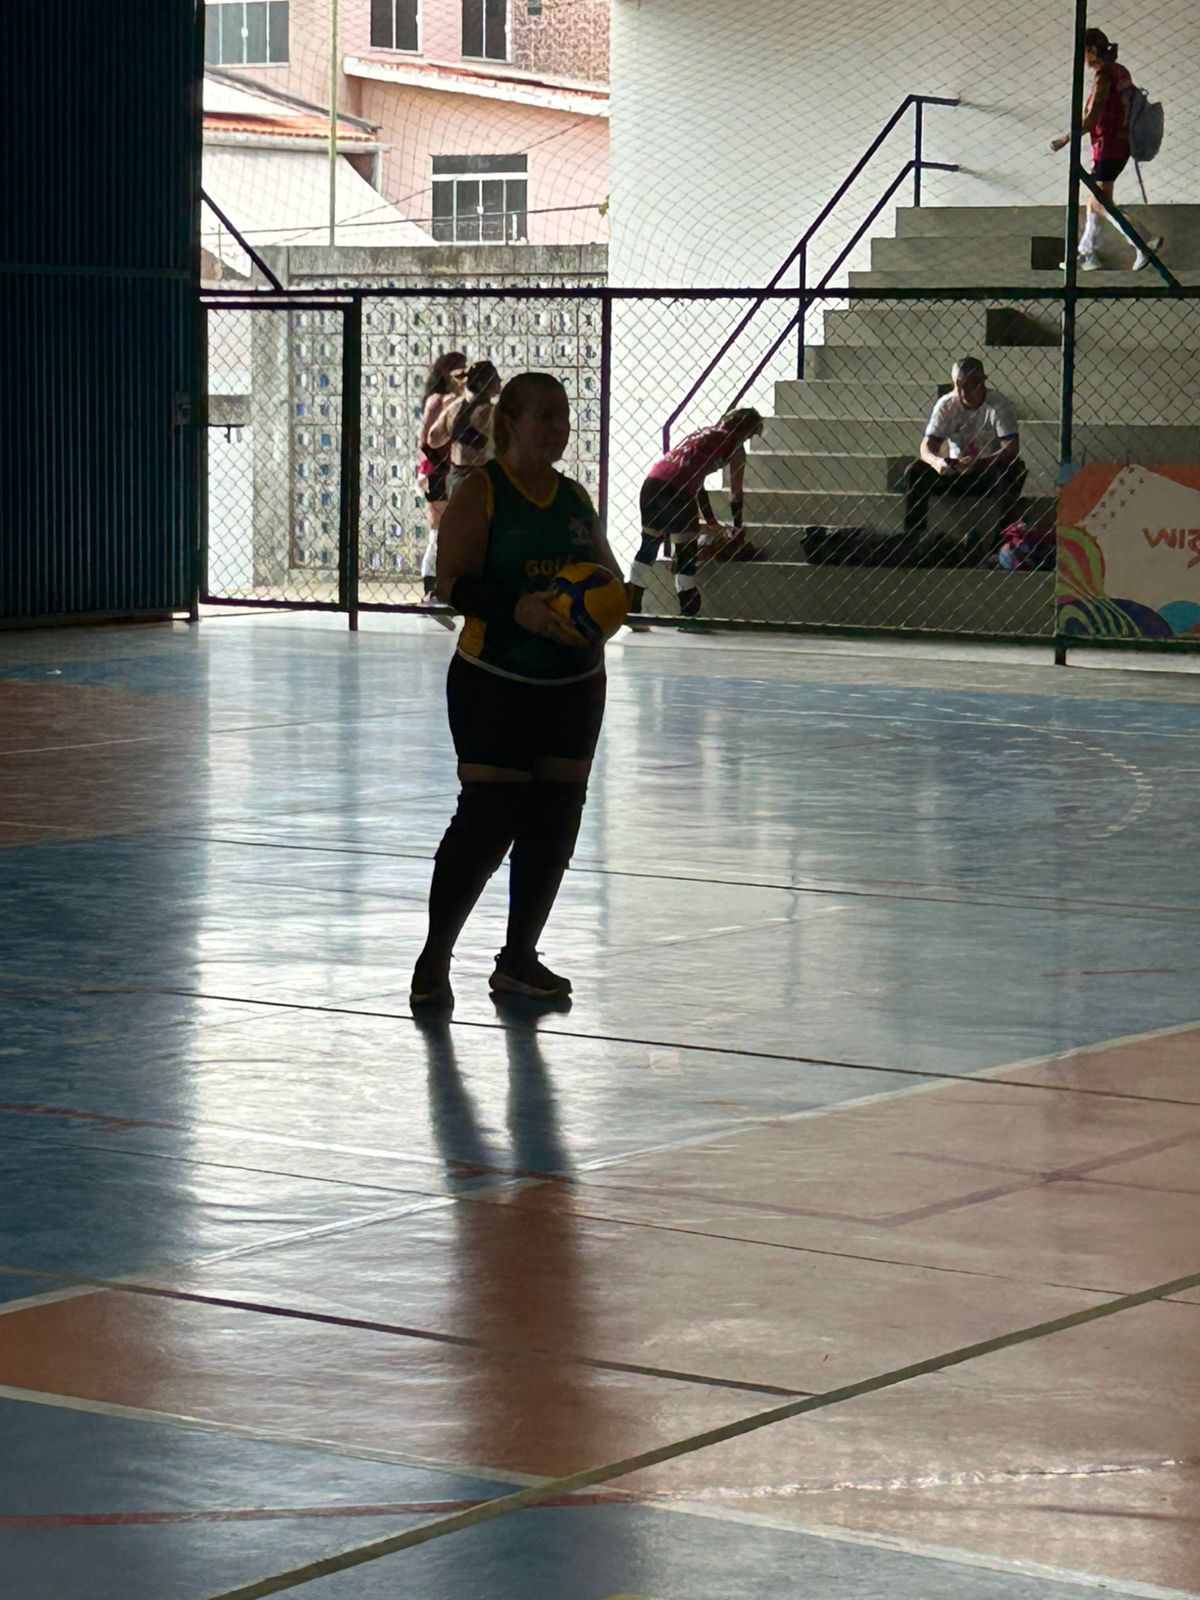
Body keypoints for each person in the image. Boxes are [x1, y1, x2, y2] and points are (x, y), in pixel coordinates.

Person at [410, 372, 623, 1009]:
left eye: (564, 416)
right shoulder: (483, 491)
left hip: (574, 682)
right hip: (496, 679)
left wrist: (607, 609)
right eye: (545, 417)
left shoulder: (574, 498)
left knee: (556, 818)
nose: (559, 428)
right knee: (487, 817)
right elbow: (450, 584)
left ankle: (518, 959)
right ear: (510, 424)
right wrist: (519, 609)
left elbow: (608, 576)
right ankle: (435, 956)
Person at [628, 407, 764, 617]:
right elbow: (735, 493)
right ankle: (689, 612)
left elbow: (695, 480)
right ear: (747, 432)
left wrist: (710, 519)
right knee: (685, 553)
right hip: (679, 490)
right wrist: (736, 525)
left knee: (649, 544)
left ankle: (632, 603)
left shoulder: (701, 434)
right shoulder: (735, 446)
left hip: (653, 482)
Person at [1049, 29, 1163, 272]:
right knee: (1096, 200)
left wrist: (1066, 138)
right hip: (1118, 145)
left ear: (1091, 50)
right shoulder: (1119, 71)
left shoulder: (1104, 77)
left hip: (1109, 148)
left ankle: (1143, 241)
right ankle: (1087, 253)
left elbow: (1093, 116)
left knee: (1101, 202)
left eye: (1083, 52)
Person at [902, 358, 1027, 559]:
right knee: (915, 471)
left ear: (983, 382)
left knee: (1012, 470)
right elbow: (927, 445)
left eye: (971, 385)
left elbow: (1011, 448)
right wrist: (937, 462)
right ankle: (914, 541)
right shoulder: (947, 404)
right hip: (954, 471)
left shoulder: (998, 405)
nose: (964, 393)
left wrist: (982, 462)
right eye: (958, 386)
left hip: (988, 472)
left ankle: (999, 545)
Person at [417, 351, 467, 598]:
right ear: (447, 374)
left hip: (452, 471)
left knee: (452, 532)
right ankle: (431, 586)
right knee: (438, 532)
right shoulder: (439, 401)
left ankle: (443, 586)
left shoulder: (459, 401)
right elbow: (425, 440)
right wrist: (429, 471)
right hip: (438, 472)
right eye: (459, 370)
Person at [432, 359, 502, 501]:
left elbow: (434, 439)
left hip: (456, 475)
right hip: (482, 476)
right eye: (495, 379)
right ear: (483, 384)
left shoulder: (454, 408)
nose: (499, 382)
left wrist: (456, 430)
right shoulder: (490, 413)